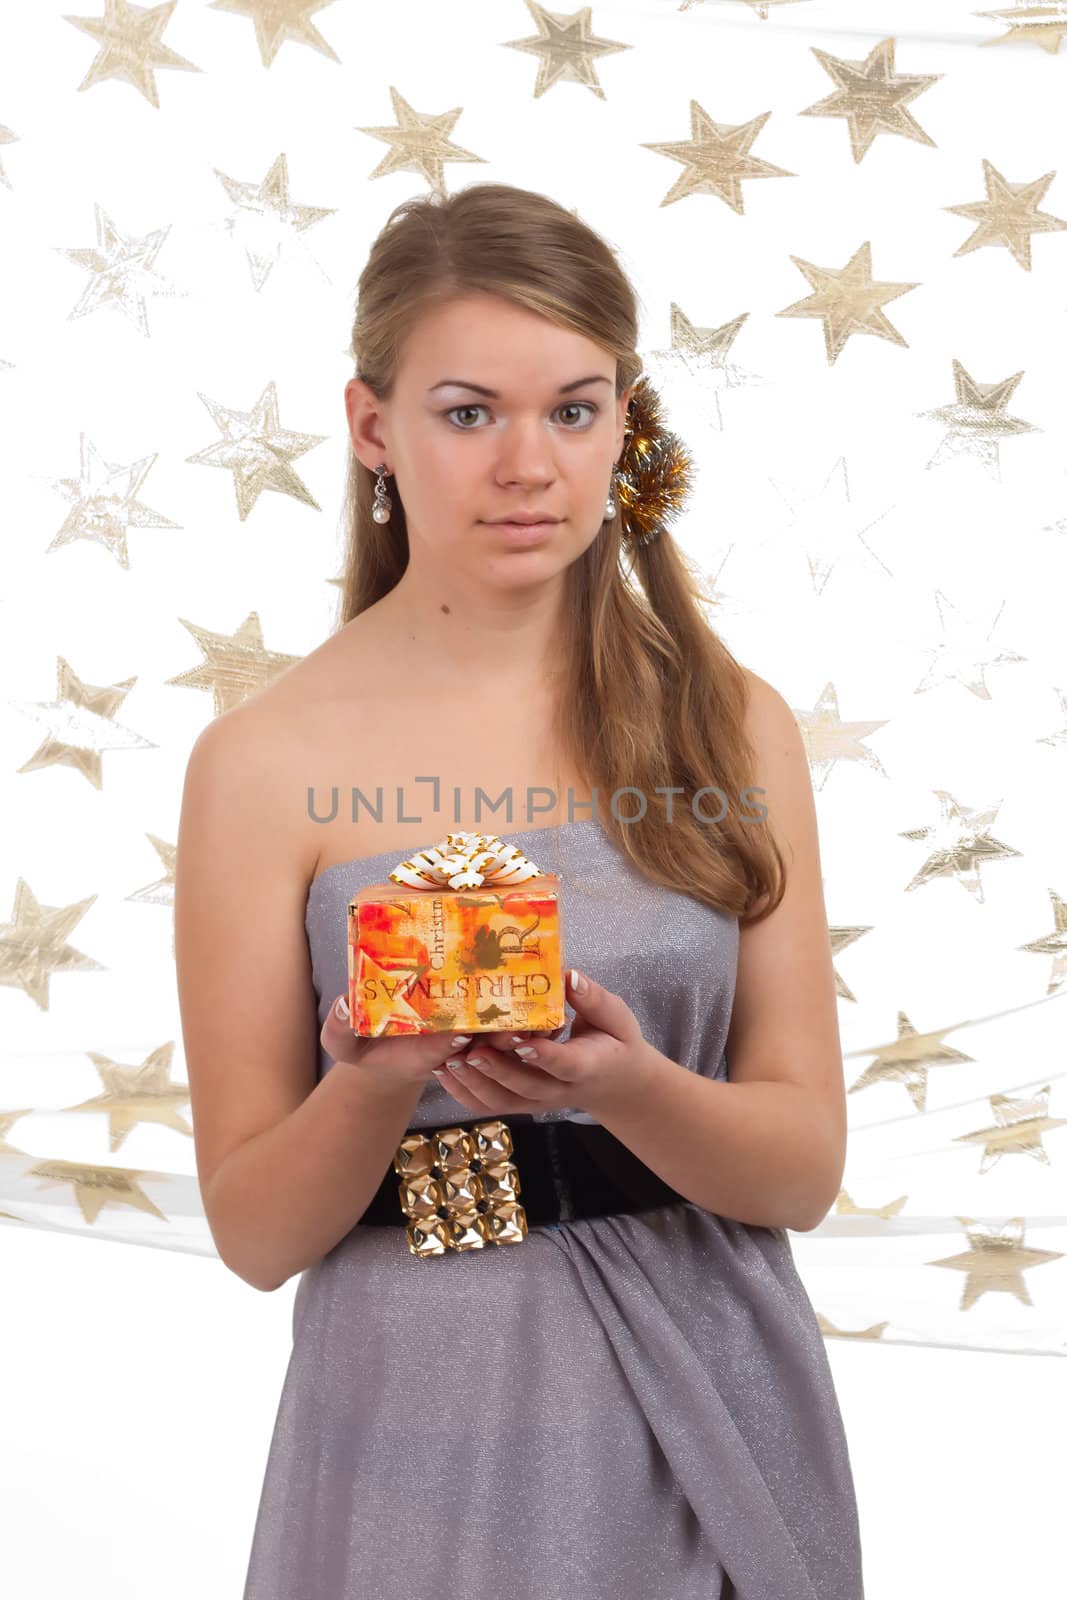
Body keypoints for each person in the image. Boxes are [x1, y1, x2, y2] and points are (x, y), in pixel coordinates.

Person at [174, 181, 864, 1599]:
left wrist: (626, 1086)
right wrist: (370, 1083)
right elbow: (254, 1235)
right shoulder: (262, 763)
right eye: (469, 411)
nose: (529, 466)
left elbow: (801, 1170)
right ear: (374, 427)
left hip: (715, 1388)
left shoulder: (732, 725)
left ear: (627, 421)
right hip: (416, 1411)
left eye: (575, 408)